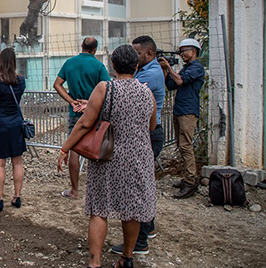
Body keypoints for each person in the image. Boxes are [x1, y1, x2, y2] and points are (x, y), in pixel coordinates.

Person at [58, 44, 157, 268]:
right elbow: (152, 126)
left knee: (99, 209)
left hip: (108, 156)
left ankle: (95, 263)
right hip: (139, 157)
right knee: (132, 210)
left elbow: (84, 123)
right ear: (136, 65)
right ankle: (127, 258)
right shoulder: (146, 92)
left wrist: (65, 148)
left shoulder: (105, 88)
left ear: (113, 65)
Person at [111, 35, 165, 256]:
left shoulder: (149, 76)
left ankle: (139, 242)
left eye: (137, 52)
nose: (134, 56)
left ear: (149, 54)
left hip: (147, 135)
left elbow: (127, 93)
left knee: (137, 189)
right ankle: (147, 229)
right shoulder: (146, 72)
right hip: (147, 133)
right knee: (143, 184)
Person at [53, 37, 110, 200]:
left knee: (74, 150)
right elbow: (107, 89)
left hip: (75, 112)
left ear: (82, 47)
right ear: (95, 49)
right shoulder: (99, 65)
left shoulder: (70, 63)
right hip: (95, 113)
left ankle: (74, 190)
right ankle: (99, 190)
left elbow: (57, 84)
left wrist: (70, 100)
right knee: (99, 148)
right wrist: (90, 102)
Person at [159, 38, 205, 199]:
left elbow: (180, 80)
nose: (181, 53)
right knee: (181, 145)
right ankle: (187, 177)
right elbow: (171, 85)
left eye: (184, 50)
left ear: (193, 51)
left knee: (186, 146)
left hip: (188, 111)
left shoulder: (197, 68)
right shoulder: (186, 68)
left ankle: (191, 181)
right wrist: (165, 70)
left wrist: (170, 68)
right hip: (180, 110)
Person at [0, 48, 26, 211]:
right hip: (16, 123)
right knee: (17, 162)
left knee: (0, 164)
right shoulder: (21, 80)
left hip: (0, 124)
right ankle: (17, 196)